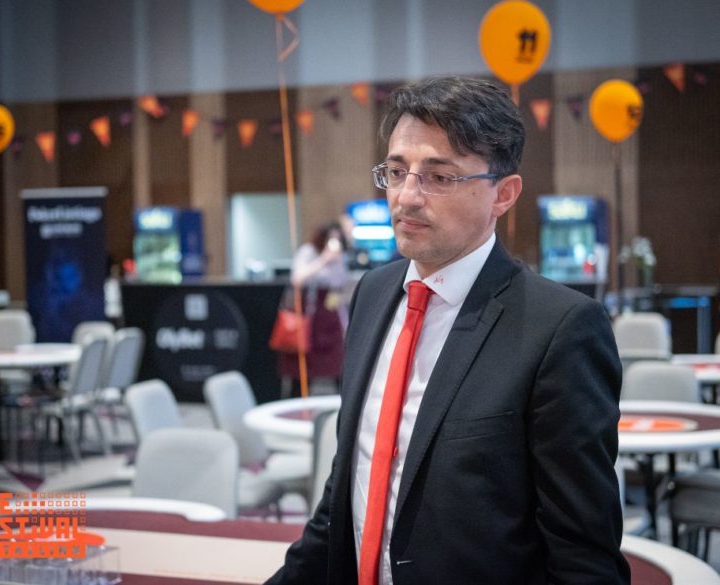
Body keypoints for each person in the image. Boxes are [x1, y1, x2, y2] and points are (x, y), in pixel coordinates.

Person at [266, 76, 629, 584]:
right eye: (397, 172)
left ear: (504, 194)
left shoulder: (560, 329)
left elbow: (583, 557)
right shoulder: (373, 294)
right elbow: (346, 494)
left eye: (439, 177)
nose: (407, 197)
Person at [277, 222, 349, 395]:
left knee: (337, 367)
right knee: (300, 370)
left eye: (338, 239)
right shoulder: (308, 252)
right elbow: (297, 279)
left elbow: (340, 285)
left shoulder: (341, 257)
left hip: (330, 317)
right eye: (330, 238)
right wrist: (324, 259)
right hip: (308, 317)